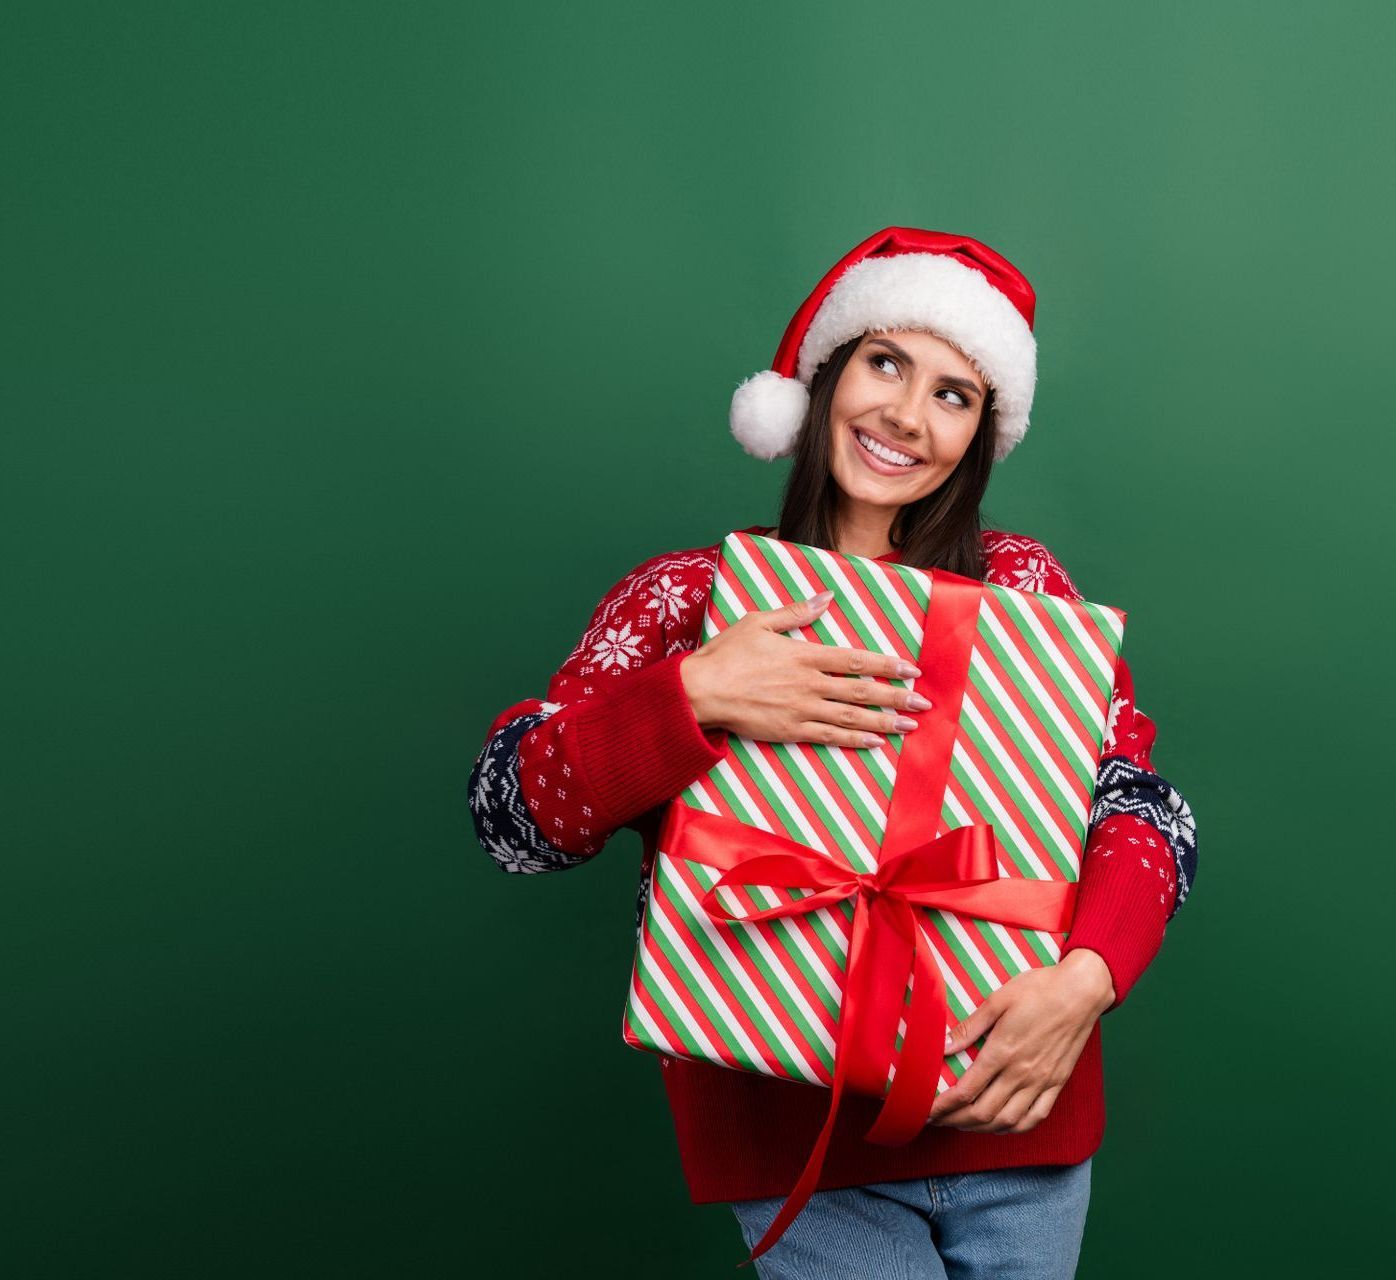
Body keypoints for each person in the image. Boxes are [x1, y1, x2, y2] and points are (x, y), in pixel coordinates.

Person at [468, 228, 1198, 1279]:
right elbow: (512, 821)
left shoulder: (1024, 586)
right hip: (788, 1134)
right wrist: (691, 695)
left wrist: (1087, 978)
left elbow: (1141, 806)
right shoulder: (688, 601)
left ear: (979, 434)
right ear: (820, 379)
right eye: (886, 361)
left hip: (1011, 1113)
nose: (907, 413)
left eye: (954, 393)